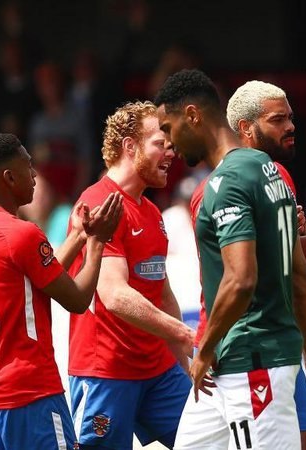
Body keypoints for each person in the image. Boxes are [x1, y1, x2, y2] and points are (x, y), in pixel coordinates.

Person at [155, 69, 306, 449]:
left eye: (169, 127)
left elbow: (241, 279)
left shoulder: (226, 183)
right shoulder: (273, 174)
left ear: (193, 115)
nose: (169, 142)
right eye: (278, 118)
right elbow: (296, 275)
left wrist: (207, 348)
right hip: (228, 361)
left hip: (248, 356)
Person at [0, 133, 121, 449]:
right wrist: (99, 242)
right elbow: (77, 299)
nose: (34, 176)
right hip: (28, 390)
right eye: (29, 167)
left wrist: (78, 235)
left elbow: (37, 278)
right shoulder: (22, 233)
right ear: (9, 177)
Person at [67, 101, 195, 450]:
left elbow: (162, 293)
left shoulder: (152, 212)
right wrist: (183, 333)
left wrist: (184, 366)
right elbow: (114, 295)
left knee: (209, 442)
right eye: (161, 142)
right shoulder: (98, 203)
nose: (172, 151)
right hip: (106, 372)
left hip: (159, 371)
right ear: (130, 146)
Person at [224, 79, 306, 450]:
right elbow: (238, 277)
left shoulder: (281, 177)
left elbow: (289, 262)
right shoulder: (225, 186)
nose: (291, 126)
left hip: (285, 346)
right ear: (246, 128)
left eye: (290, 117)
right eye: (278, 119)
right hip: (252, 351)